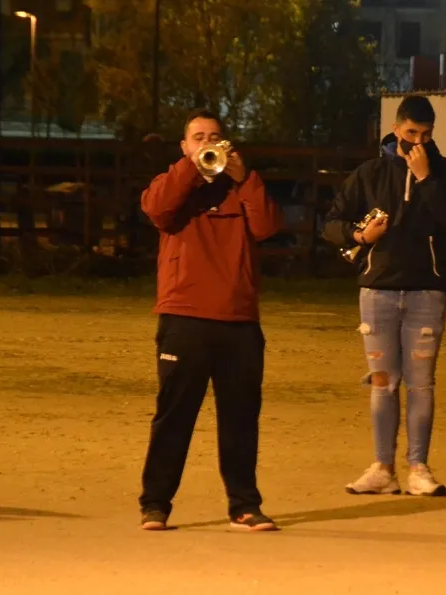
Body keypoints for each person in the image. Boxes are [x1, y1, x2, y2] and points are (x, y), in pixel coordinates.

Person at [138, 108, 283, 531]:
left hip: (238, 318)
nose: (206, 143)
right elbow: (157, 210)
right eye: (198, 137)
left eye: (214, 137)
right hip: (184, 316)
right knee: (174, 415)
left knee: (240, 418)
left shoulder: (241, 185)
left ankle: (244, 505)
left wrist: (245, 177)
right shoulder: (172, 182)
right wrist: (191, 169)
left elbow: (267, 227)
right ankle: (155, 504)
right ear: (184, 146)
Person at [323, 95, 446, 497]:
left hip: (428, 290)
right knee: (383, 383)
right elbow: (331, 223)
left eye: (425, 134)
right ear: (395, 129)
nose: (417, 142)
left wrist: (426, 179)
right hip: (378, 290)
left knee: (421, 384)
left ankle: (419, 469)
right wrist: (359, 235)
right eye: (411, 133)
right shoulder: (369, 173)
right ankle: (382, 469)